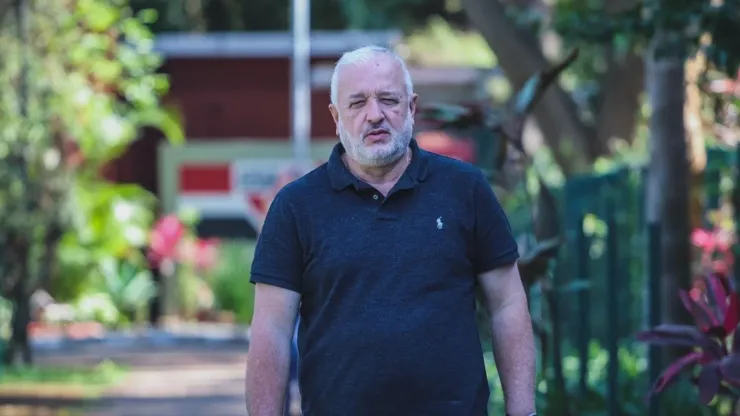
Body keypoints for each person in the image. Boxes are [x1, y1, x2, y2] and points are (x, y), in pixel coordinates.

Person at [245, 45, 537, 416]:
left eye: (388, 100)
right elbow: (271, 329)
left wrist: (523, 412)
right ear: (336, 116)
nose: (374, 115)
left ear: (411, 108)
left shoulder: (465, 190)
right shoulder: (296, 207)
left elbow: (507, 304)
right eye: (357, 103)